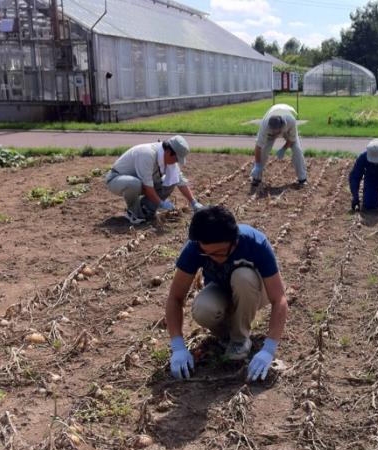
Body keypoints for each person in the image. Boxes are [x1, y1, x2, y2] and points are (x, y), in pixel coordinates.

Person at [165, 206, 288, 382]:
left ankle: (239, 340)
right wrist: (177, 347)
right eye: (206, 253)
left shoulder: (254, 243)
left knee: (242, 277)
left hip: (256, 291)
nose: (212, 257)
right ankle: (226, 335)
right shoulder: (195, 248)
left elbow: (279, 298)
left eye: (219, 253)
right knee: (202, 308)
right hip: (222, 290)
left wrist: (269, 349)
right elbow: (175, 297)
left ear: (234, 241)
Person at [104, 135, 204, 224]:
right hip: (116, 180)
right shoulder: (147, 154)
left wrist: (193, 202)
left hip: (141, 183)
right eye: (176, 159)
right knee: (134, 184)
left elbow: (180, 181)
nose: (176, 162)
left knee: (171, 181)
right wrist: (161, 203)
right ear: (169, 152)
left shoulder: (168, 159)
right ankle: (134, 213)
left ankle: (146, 209)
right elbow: (148, 186)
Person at [251, 103, 307, 186]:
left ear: (282, 125)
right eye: (273, 130)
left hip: (287, 131)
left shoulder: (290, 121)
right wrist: (257, 165)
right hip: (269, 135)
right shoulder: (265, 125)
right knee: (263, 151)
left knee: (297, 150)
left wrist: (284, 149)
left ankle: (302, 178)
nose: (276, 133)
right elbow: (258, 147)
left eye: (277, 131)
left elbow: (292, 139)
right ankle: (257, 178)